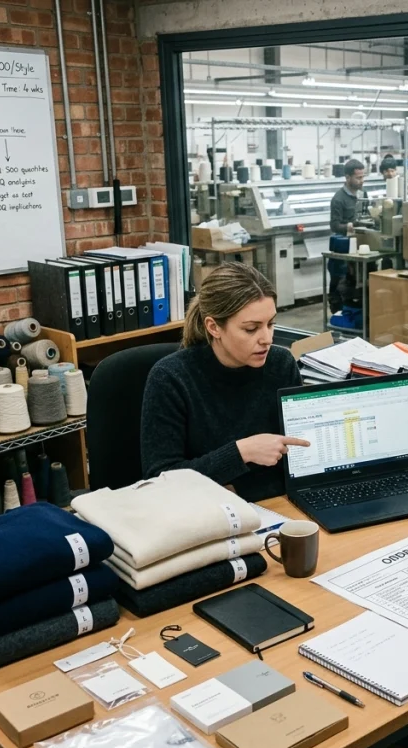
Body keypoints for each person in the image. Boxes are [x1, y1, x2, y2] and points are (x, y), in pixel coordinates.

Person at [140, 262, 309, 502]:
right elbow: (160, 478)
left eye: (271, 324)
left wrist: (241, 491)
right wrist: (242, 452)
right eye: (251, 329)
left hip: (271, 505)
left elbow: (299, 459)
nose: (267, 339)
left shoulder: (281, 364)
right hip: (200, 512)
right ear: (214, 327)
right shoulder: (171, 378)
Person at [328, 158, 367, 312]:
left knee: (357, 281)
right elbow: (334, 225)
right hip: (343, 247)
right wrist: (352, 226)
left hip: (360, 245)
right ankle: (337, 312)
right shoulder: (338, 199)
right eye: (358, 177)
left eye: (363, 177)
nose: (361, 180)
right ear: (347, 177)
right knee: (339, 281)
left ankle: (355, 309)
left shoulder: (363, 194)